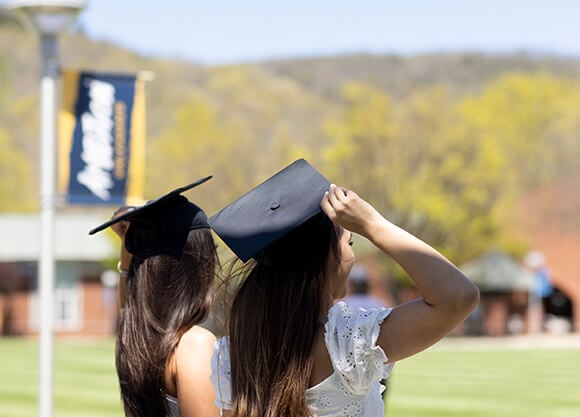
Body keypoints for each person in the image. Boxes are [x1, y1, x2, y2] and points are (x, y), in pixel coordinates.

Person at [208, 159, 480, 417]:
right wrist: (373, 225)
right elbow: (458, 297)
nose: (352, 256)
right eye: (348, 243)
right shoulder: (345, 343)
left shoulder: (231, 356)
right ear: (326, 257)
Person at [89, 177, 220, 417]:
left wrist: (129, 250)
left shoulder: (141, 342)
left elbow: (130, 308)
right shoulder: (193, 344)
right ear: (200, 263)